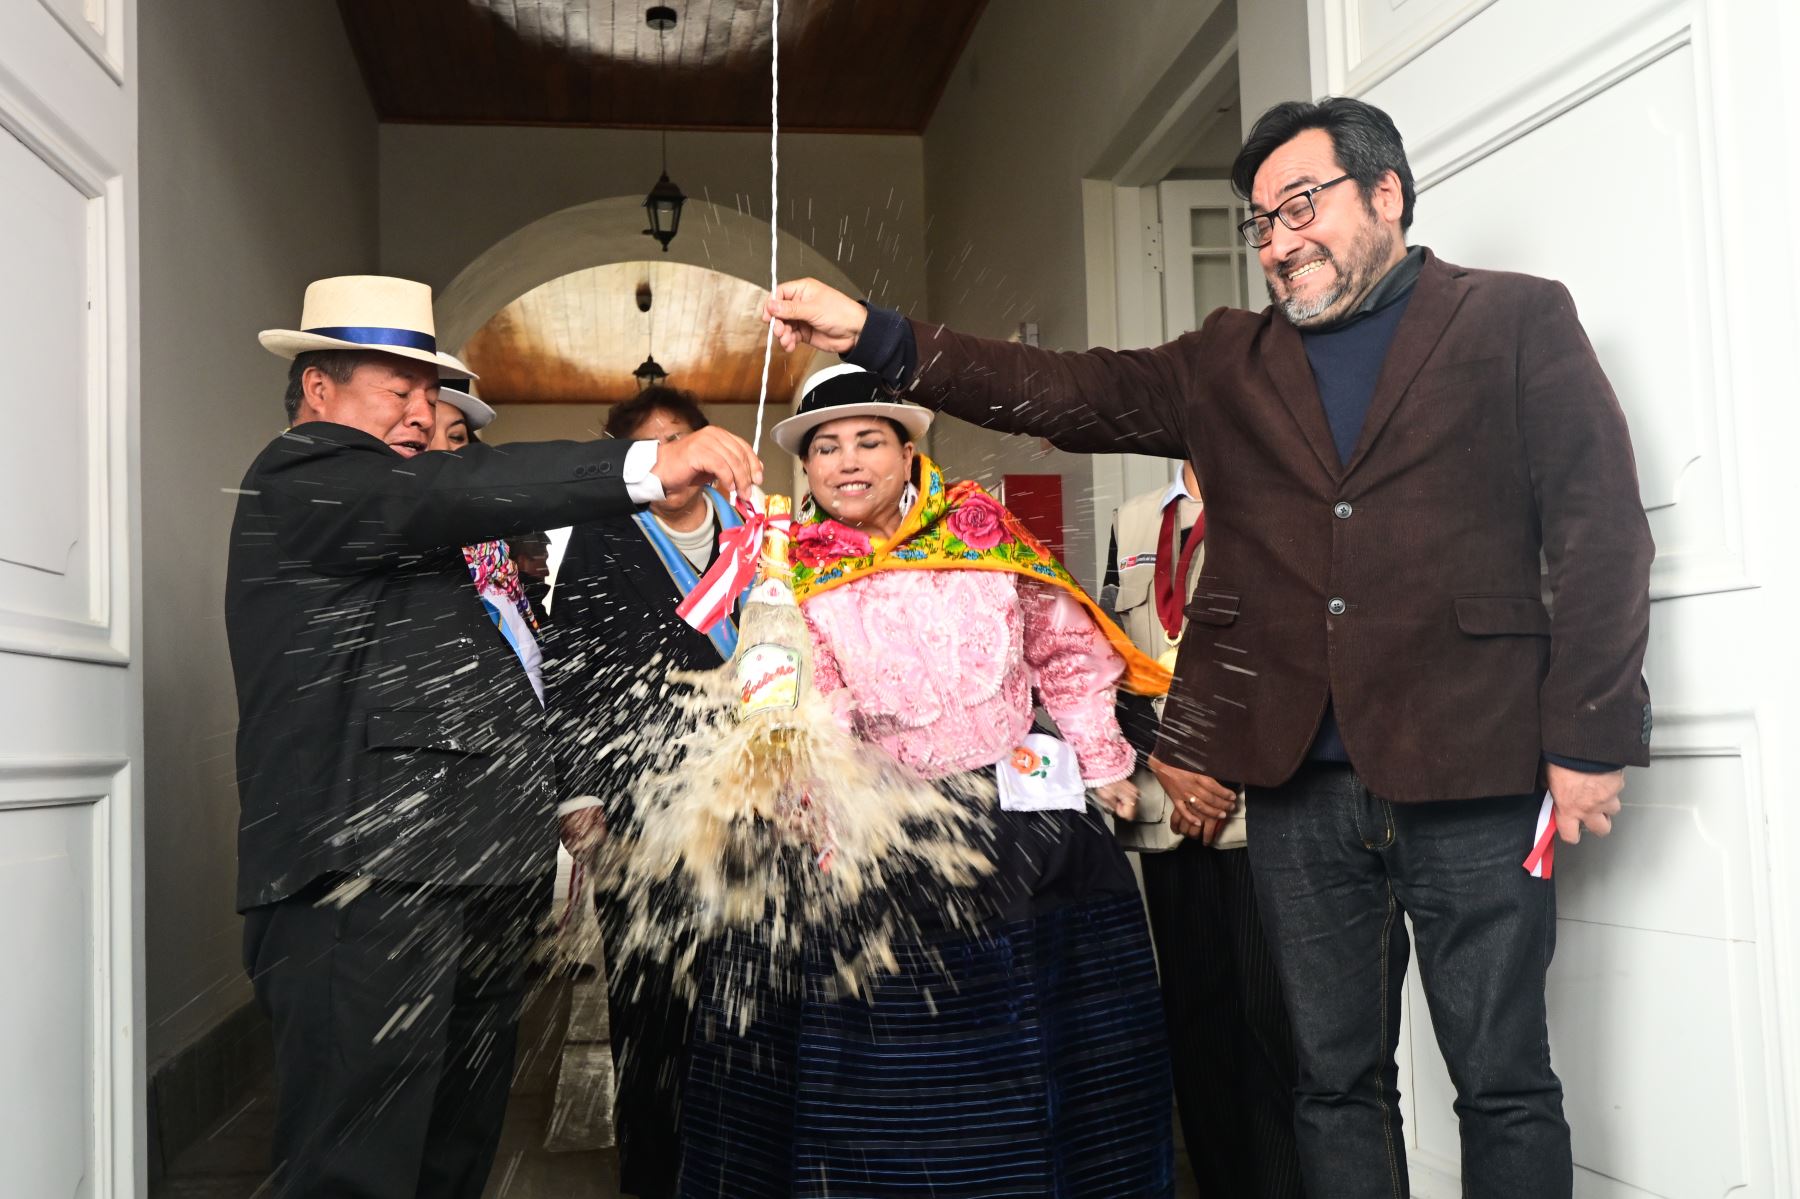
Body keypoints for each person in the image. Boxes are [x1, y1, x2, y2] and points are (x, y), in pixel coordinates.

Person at [761, 97, 1654, 1199]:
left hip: (1475, 763)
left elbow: (1600, 527)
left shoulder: (1514, 318)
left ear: (1387, 192)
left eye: (1301, 206)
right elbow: (1071, 390)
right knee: (1332, 1082)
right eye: (1261, 222)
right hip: (1295, 782)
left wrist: (1591, 735)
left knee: (1503, 1077)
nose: (1279, 240)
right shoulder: (1231, 360)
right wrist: (878, 337)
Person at [227, 274, 762, 1199]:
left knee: (451, 1148)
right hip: (367, 878)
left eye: (429, 395)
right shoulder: (305, 478)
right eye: (398, 391)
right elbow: (457, 485)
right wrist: (646, 469)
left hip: (472, 876)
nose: (420, 412)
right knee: (356, 1161)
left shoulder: (431, 532)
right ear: (320, 389)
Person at [677, 365, 1176, 1199]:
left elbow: (1064, 646)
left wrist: (1101, 758)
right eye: (826, 449)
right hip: (879, 830)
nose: (846, 463)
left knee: (1059, 1049)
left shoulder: (982, 529)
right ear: (805, 470)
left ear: (910, 452)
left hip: (1026, 828)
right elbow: (806, 711)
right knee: (900, 1074)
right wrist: (832, 820)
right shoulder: (786, 572)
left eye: (869, 442)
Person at [547, 385, 750, 1199]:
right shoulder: (602, 540)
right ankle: (654, 1173)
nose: (674, 456)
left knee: (746, 987)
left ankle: (738, 1165)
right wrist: (579, 792)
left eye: (683, 437)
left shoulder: (755, 531)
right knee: (651, 997)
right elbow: (573, 668)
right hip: (644, 801)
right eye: (651, 447)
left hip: (754, 798)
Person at [1104, 462, 1303, 1197]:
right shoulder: (1133, 521)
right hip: (1167, 809)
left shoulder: (1284, 501)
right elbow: (1108, 661)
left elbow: (1296, 661)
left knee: (1271, 1025)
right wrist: (1168, 762)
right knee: (1195, 1022)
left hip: (1258, 812)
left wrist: (1218, 775)